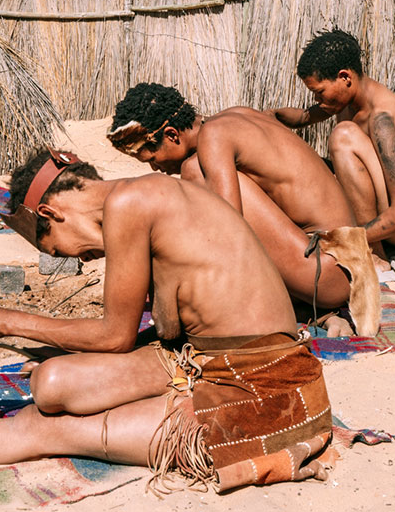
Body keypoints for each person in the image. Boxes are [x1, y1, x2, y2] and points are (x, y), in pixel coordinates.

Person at [0, 149, 340, 492]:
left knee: (42, 429)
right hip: (209, 359)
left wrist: (6, 320)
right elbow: (165, 330)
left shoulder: (130, 205)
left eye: (65, 250)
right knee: (52, 383)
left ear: (51, 212)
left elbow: (116, 336)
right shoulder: (153, 194)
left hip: (262, 393)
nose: (84, 260)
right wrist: (35, 343)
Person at [107, 83, 379, 335]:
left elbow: (231, 238)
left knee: (195, 174)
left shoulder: (212, 140)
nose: (156, 168)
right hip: (349, 262)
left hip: (332, 272)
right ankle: (307, 307)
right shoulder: (233, 116)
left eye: (153, 159)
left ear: (171, 135)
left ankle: (304, 307)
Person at [271, 29, 395, 269]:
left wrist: (345, 240)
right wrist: (268, 117)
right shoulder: (344, 101)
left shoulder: (382, 119)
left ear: (345, 77)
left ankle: (372, 253)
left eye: (319, 92)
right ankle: (382, 246)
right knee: (317, 166)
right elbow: (303, 117)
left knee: (343, 137)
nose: (318, 101)